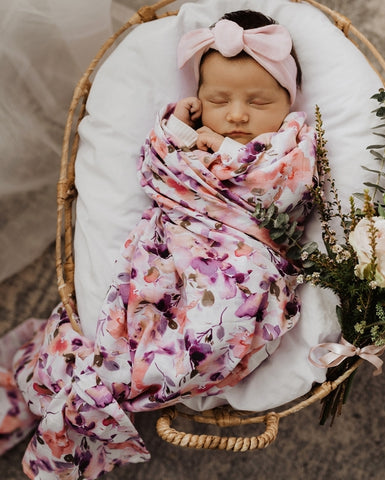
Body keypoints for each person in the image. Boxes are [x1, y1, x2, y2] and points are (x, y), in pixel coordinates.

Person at [0, 10, 318, 480]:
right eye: (218, 99)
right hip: (177, 239)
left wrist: (226, 153)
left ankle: (106, 385)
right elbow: (155, 173)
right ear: (198, 99)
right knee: (136, 307)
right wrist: (180, 133)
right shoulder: (187, 138)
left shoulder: (292, 144)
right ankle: (87, 379)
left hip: (245, 260)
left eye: (258, 101)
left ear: (288, 103)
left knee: (222, 322)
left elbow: (286, 190)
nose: (236, 114)